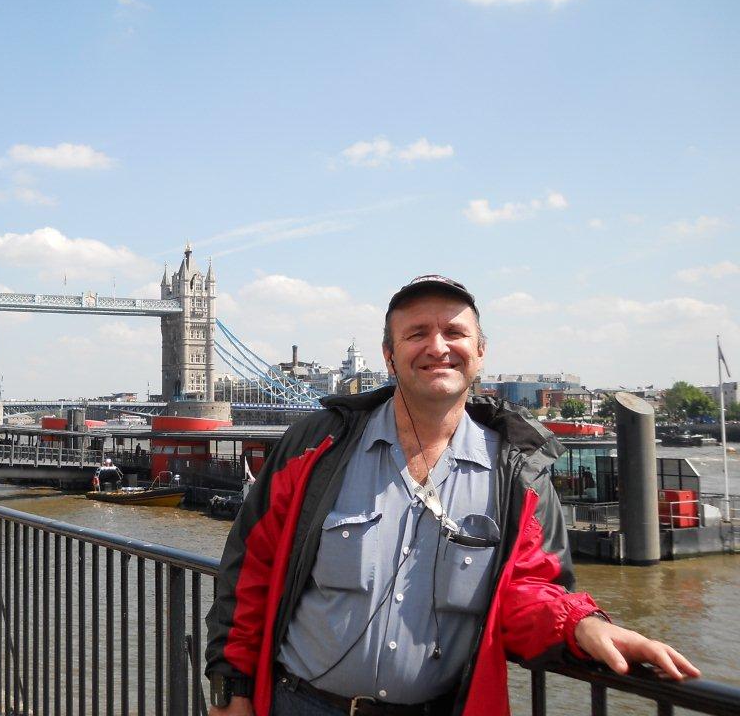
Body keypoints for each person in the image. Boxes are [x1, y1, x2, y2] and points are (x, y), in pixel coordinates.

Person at [204, 276, 699, 716]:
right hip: (301, 703)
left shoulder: (518, 473)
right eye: (416, 333)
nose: (437, 347)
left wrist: (581, 625)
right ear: (388, 355)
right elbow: (250, 569)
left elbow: (528, 591)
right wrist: (232, 684)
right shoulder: (317, 446)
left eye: (455, 333)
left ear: (481, 351)